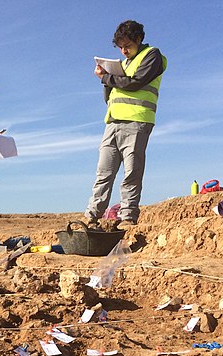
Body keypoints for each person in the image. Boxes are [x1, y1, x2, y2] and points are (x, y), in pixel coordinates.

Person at [85, 20, 167, 229]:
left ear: (139, 39)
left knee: (131, 172)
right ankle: (92, 216)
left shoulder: (152, 56)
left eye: (127, 46)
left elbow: (136, 82)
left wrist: (107, 78)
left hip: (137, 121)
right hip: (112, 122)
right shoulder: (124, 64)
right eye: (120, 47)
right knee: (103, 172)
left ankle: (128, 216)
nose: (123, 51)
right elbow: (111, 94)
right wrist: (105, 78)